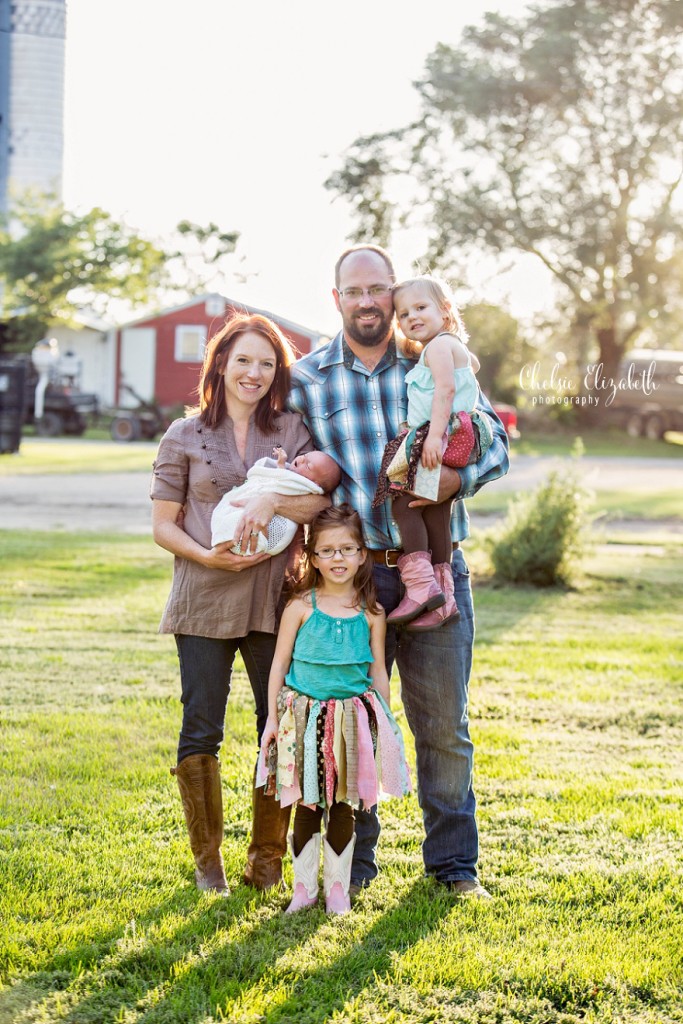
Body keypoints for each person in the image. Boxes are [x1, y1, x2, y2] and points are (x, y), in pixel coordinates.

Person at [287, 244, 510, 898]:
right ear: (335, 298)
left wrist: (441, 480)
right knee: (350, 722)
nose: (366, 301)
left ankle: (452, 868)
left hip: (436, 572)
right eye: (352, 290)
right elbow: (289, 472)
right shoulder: (305, 380)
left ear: (392, 295)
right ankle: (351, 868)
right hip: (350, 585)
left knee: (442, 724)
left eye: (377, 289)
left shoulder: (435, 355)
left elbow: (495, 447)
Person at [150, 312, 328, 895]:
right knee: (201, 725)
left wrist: (272, 497)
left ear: (278, 372)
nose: (254, 372)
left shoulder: (292, 431)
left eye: (267, 363)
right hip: (202, 599)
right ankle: (208, 864)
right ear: (221, 363)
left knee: (275, 724)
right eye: (243, 360)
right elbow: (162, 527)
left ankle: (266, 858)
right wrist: (208, 557)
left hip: (273, 602)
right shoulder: (183, 435)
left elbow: (318, 507)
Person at [258, 504, 411, 915]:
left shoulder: (372, 613)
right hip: (304, 720)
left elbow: (378, 670)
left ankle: (338, 889)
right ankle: (304, 889)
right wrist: (273, 719)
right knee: (306, 803)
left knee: (344, 804)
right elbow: (279, 665)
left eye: (347, 549)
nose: (338, 558)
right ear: (313, 557)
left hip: (350, 721)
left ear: (363, 554)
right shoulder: (300, 607)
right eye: (327, 551)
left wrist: (385, 720)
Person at [372, 274, 488, 632]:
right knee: (436, 510)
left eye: (421, 308)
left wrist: (434, 436)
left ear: (446, 310)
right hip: (462, 432)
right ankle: (444, 597)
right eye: (403, 315)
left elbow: (446, 389)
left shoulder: (437, 347)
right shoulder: (450, 346)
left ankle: (421, 588)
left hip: (444, 433)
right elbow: (472, 368)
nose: (412, 318)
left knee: (401, 500)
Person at [211, 447, 341, 554]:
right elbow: (282, 479)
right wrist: (281, 464)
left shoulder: (304, 487)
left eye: (308, 465)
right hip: (255, 520)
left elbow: (284, 484)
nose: (301, 459)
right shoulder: (293, 478)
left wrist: (270, 500)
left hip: (271, 530)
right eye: (305, 456)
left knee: (244, 524)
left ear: (315, 484)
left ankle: (232, 537)